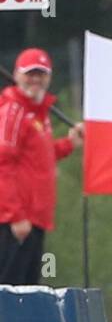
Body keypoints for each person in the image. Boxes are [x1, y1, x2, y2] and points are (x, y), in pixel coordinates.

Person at [0, 48, 85, 286]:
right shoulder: (14, 111)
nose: (35, 80)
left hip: (35, 220)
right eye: (30, 74)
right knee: (10, 293)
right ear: (17, 74)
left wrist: (69, 144)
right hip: (16, 222)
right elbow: (3, 165)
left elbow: (40, 157)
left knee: (27, 291)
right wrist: (15, 216)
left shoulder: (37, 115)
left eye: (41, 74)